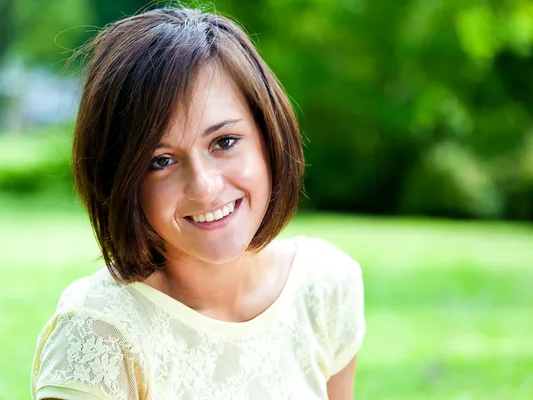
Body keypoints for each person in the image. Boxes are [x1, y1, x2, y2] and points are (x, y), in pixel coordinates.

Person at [31, 6, 366, 400]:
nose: (204, 188)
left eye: (224, 142)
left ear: (267, 134)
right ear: (122, 181)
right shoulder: (99, 330)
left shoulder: (325, 285)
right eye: (161, 161)